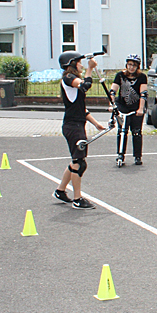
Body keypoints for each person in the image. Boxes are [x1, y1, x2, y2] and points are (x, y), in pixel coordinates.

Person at [55, 52, 107, 209]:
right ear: (71, 64)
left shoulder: (72, 81)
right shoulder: (68, 78)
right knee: (79, 162)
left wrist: (96, 124)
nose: (81, 65)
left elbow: (80, 108)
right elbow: (86, 85)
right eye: (79, 62)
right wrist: (90, 69)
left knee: (76, 160)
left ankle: (60, 191)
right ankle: (77, 199)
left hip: (77, 124)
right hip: (73, 127)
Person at [111, 54, 148, 167]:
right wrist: (112, 105)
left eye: (134, 65)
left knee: (136, 131)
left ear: (138, 66)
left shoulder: (142, 77)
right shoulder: (120, 75)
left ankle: (137, 156)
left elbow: (143, 93)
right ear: (126, 64)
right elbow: (113, 91)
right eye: (130, 64)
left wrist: (140, 109)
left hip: (136, 106)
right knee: (122, 131)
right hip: (122, 106)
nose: (131, 67)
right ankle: (120, 155)